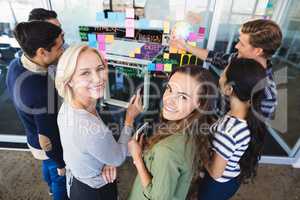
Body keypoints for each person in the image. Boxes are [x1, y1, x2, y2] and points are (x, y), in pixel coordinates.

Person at [55, 44, 143, 200]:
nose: (98, 78)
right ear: (69, 80)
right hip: (96, 191)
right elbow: (118, 158)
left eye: (100, 68)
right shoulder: (91, 129)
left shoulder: (69, 103)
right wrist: (129, 118)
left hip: (77, 181)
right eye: (85, 73)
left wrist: (105, 160)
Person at [127, 65, 217, 200]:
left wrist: (138, 159)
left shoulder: (166, 150)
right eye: (169, 89)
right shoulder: (194, 127)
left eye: (183, 97)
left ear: (200, 103)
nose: (169, 100)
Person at [170, 19, 282, 119]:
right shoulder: (238, 58)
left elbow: (254, 130)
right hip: (210, 118)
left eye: (242, 44)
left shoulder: (267, 94)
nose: (236, 46)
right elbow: (214, 57)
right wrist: (185, 46)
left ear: (258, 51)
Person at [6, 21, 67, 200]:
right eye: (58, 47)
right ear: (41, 52)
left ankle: (49, 185)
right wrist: (61, 163)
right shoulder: (41, 90)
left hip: (31, 136)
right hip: (50, 147)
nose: (62, 51)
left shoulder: (16, 64)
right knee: (60, 179)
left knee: (47, 167)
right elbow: (48, 137)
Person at [198, 58, 269, 200]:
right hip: (232, 178)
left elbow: (215, 172)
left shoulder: (227, 131)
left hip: (215, 186)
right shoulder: (247, 114)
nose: (220, 77)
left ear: (229, 89)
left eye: (223, 74)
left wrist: (199, 147)